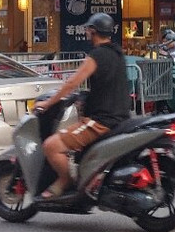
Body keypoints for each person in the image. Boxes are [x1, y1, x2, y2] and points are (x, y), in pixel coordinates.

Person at [32, 13, 130, 198]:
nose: (86, 33)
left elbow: (71, 83)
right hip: (120, 117)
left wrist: (47, 103)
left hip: (101, 122)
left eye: (88, 30)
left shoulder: (97, 55)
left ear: (93, 31)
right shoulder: (117, 53)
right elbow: (107, 84)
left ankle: (66, 181)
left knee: (51, 146)